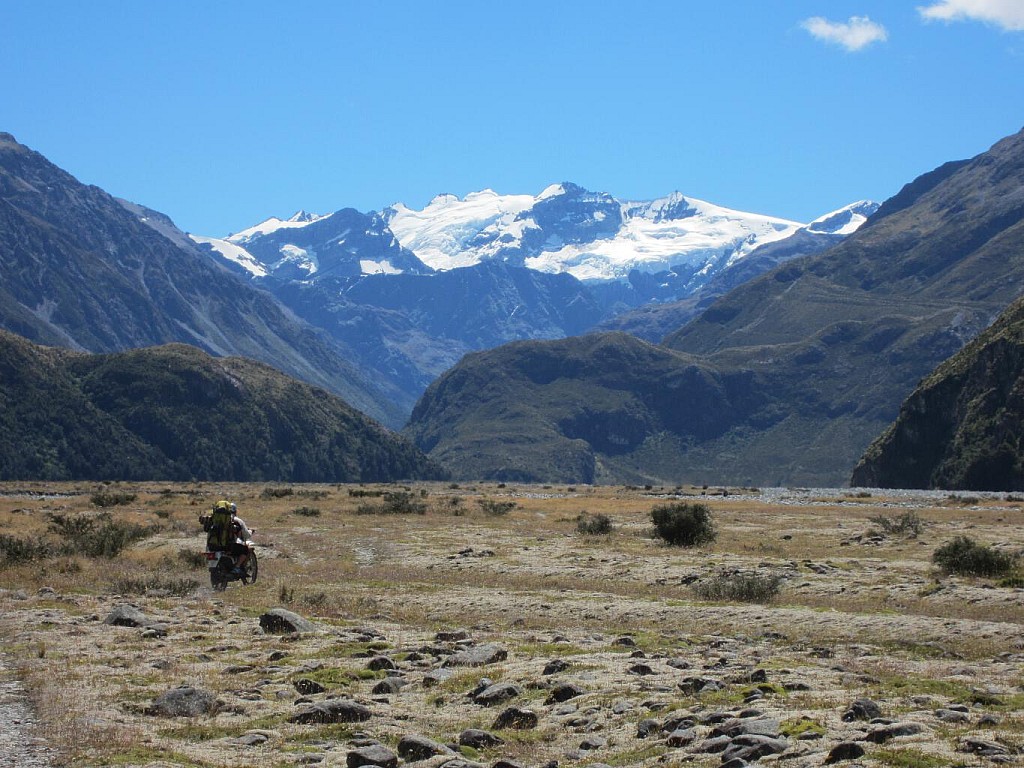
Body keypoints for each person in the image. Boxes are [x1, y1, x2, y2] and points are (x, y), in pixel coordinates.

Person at [227, 503, 255, 574]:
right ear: (235, 511)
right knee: (245, 549)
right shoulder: (237, 520)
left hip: (216, 546)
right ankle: (237, 567)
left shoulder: (218, 521)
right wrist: (250, 531)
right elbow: (246, 534)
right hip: (231, 546)